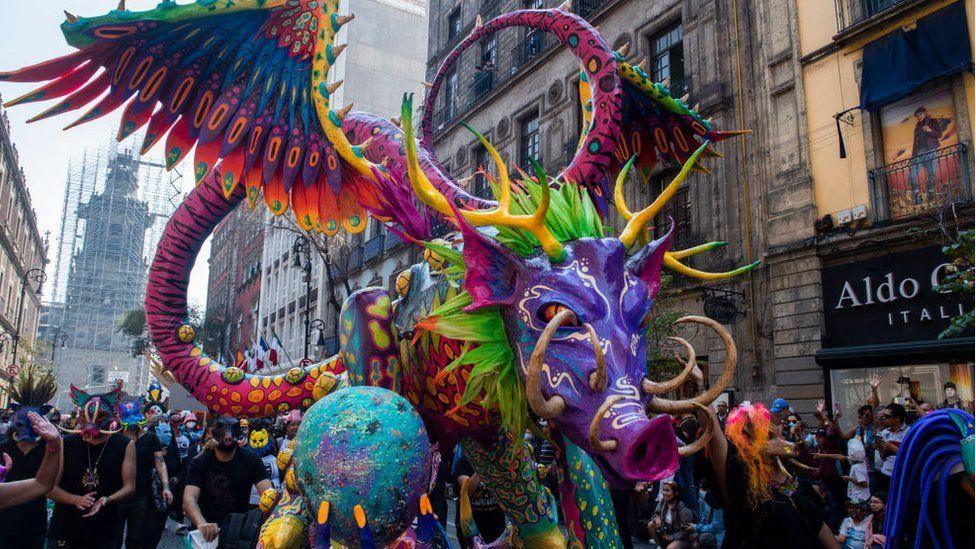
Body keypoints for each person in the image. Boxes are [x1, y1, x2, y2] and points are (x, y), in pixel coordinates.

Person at [695, 402, 839, 548]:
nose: (772, 428)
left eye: (768, 425)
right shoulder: (743, 487)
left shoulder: (796, 483)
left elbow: (822, 531)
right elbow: (713, 435)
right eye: (758, 430)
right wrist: (701, 391)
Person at [48, 384, 136, 548]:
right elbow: (48, 486)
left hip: (104, 531)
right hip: (65, 529)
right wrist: (74, 499)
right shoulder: (65, 443)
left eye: (100, 416)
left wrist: (106, 500)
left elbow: (130, 487)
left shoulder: (125, 444)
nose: (92, 424)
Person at [183, 417, 272, 545]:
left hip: (237, 533)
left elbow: (268, 494)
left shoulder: (251, 459)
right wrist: (202, 523)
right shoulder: (200, 462)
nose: (228, 438)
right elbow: (189, 499)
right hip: (204, 535)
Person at [116, 399, 172, 549]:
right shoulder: (115, 437)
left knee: (135, 539)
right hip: (116, 495)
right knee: (114, 537)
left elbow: (160, 463)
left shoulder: (150, 438)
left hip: (141, 496)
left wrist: (166, 486)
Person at [0, 412, 62, 517]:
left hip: (33, 519)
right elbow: (42, 484)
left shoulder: (43, 449)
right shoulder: (4, 447)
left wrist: (54, 445)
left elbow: (43, 484)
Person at [451, 447, 505, 546]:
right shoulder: (463, 462)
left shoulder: (498, 463)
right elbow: (467, 492)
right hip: (471, 526)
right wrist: (482, 466)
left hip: (495, 524)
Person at [647, 480, 693, 549]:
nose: (664, 493)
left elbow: (685, 531)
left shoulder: (683, 509)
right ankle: (659, 546)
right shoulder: (663, 501)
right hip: (667, 532)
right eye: (663, 490)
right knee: (651, 525)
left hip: (680, 537)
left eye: (668, 490)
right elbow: (656, 514)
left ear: (676, 493)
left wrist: (670, 538)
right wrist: (657, 519)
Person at [875, 403, 907, 494]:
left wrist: (893, 448)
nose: (883, 418)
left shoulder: (909, 432)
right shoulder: (884, 433)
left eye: (887, 416)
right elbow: (882, 456)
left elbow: (911, 454)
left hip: (902, 475)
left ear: (897, 418)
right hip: (886, 473)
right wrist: (881, 450)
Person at [684, 482, 723, 549]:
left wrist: (696, 528)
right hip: (707, 530)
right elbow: (704, 519)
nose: (700, 491)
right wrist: (697, 532)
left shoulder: (718, 503)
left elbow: (716, 527)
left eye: (703, 489)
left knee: (703, 538)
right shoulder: (705, 502)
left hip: (719, 535)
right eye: (700, 488)